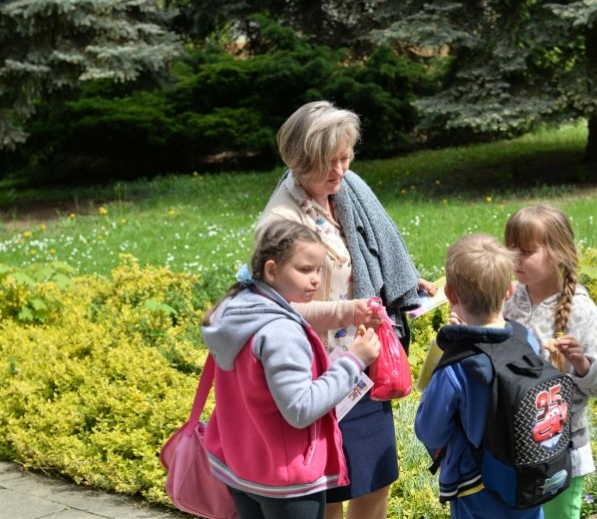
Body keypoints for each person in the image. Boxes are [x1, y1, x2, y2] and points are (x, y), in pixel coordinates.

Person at [255, 100, 437, 519]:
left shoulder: (346, 189)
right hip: (320, 372)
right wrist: (351, 312)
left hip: (363, 360)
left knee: (376, 478)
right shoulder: (281, 223)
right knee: (331, 491)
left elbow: (372, 255)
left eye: (345, 157)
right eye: (328, 163)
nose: (340, 171)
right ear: (300, 162)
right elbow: (276, 313)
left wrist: (407, 287)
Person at [200, 219, 381, 519]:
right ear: (272, 270)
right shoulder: (280, 331)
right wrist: (355, 360)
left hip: (241, 466)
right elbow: (300, 408)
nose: (315, 280)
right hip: (285, 481)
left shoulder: (237, 309)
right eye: (305, 269)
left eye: (319, 270)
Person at [415, 233, 543, 519]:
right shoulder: (528, 341)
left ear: (449, 294)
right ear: (510, 290)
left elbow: (429, 430)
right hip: (527, 479)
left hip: (476, 486)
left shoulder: (456, 364)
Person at [502, 204, 597, 519]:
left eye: (525, 251)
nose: (514, 259)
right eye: (509, 249)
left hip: (562, 450)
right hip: (513, 445)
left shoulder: (581, 311)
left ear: (558, 254)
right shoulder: (509, 300)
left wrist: (582, 365)